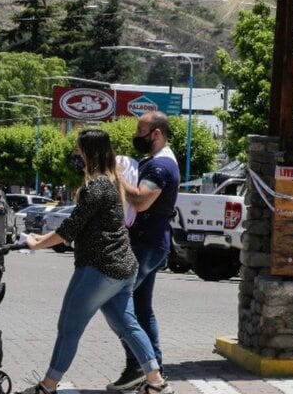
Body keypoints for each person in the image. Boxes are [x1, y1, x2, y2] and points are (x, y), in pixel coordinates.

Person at [21, 129, 173, 394]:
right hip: (124, 267)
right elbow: (80, 224)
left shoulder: (97, 186)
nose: (76, 155)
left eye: (79, 150)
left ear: (89, 153)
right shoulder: (113, 182)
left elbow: (71, 228)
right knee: (127, 325)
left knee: (69, 326)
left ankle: (47, 386)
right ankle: (156, 383)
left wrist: (37, 243)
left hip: (99, 268)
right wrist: (42, 236)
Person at [107, 111, 180, 392]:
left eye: (141, 131)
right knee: (140, 308)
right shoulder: (155, 162)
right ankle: (152, 370)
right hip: (149, 242)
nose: (137, 136)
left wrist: (116, 176)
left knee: (116, 303)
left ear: (156, 134)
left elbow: (140, 201)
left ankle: (140, 368)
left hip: (146, 245)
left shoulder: (161, 166)